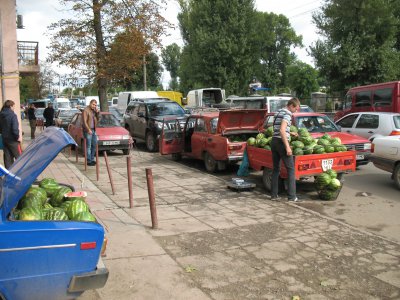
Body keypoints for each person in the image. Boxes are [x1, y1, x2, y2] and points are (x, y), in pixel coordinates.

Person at [270, 97, 301, 202]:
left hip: (274, 141)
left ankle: (274, 195)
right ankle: (292, 197)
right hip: (281, 143)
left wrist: (290, 132)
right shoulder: (287, 114)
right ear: (291, 106)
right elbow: (282, 130)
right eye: (296, 109)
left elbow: (277, 128)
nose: (295, 111)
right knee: (291, 170)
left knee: (276, 169)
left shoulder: (278, 112)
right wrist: (287, 147)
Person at [0, 100, 22, 169]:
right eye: (13, 106)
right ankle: (23, 173)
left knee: (7, 158)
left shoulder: (1, 115)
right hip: (13, 140)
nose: (14, 108)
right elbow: (15, 128)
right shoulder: (12, 115)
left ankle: (9, 174)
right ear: (10, 106)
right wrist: (17, 136)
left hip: (4, 139)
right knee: (19, 157)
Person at [82, 99, 100, 166]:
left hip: (94, 130)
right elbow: (84, 121)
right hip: (88, 130)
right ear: (90, 103)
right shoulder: (85, 110)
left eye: (95, 105)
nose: (94, 106)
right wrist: (88, 129)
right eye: (93, 104)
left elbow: (98, 119)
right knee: (88, 146)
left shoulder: (94, 111)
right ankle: (88, 160)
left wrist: (97, 113)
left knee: (94, 145)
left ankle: (92, 159)